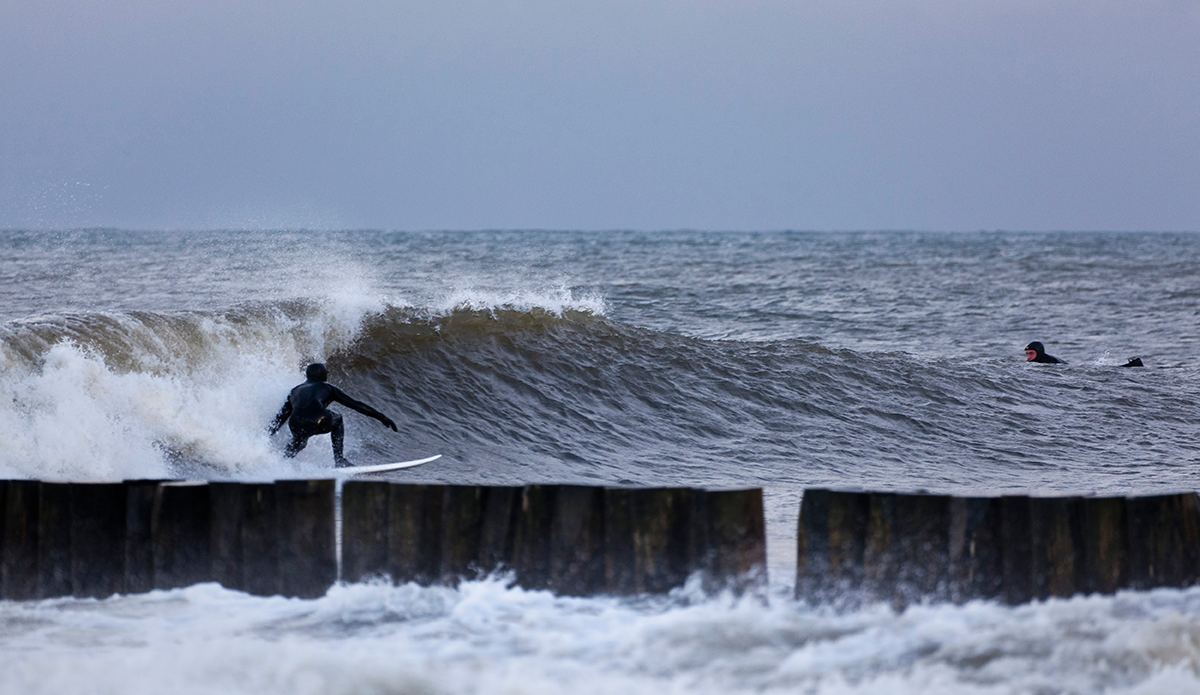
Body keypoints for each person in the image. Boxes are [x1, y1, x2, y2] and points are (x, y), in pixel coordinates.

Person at [268, 363, 397, 467]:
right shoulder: (327, 387)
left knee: (299, 441)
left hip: (295, 424)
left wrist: (264, 437)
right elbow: (356, 405)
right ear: (322, 375)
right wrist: (381, 417)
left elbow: (280, 419)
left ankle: (279, 463)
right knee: (338, 419)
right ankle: (339, 460)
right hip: (317, 419)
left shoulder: (295, 390)